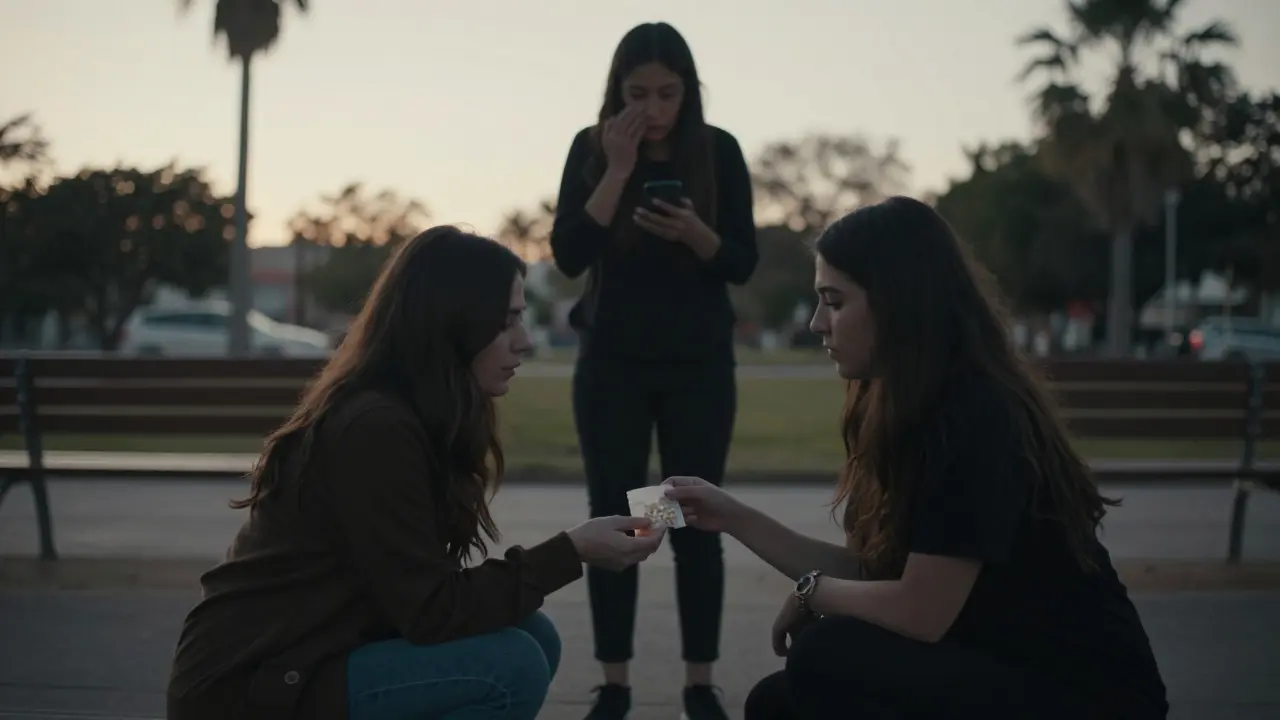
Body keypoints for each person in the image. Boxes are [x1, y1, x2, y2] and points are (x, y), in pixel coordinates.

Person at [663, 197, 1170, 719]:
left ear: (898, 304)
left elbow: (921, 611)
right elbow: (876, 575)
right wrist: (733, 517)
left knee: (824, 654)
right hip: (993, 662)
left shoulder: (975, 414)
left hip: (1082, 693)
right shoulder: (901, 405)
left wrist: (814, 594)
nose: (817, 323)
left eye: (834, 302)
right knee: (775, 703)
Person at [165, 226, 668, 720]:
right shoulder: (374, 429)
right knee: (510, 667)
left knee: (534, 635)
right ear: (452, 323)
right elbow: (431, 611)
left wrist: (574, 550)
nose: (524, 342)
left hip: (318, 653)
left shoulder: (421, 415)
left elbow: (420, 596)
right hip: (252, 684)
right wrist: (572, 551)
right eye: (507, 321)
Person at [548, 20, 758, 720]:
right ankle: (615, 684)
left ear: (689, 91)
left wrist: (696, 233)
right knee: (624, 523)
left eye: (668, 93)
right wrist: (616, 169)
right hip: (613, 370)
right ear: (617, 91)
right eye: (638, 94)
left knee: (690, 519)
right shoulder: (591, 148)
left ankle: (700, 685)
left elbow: (742, 262)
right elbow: (570, 254)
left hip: (697, 371)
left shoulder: (718, 150)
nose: (654, 108)